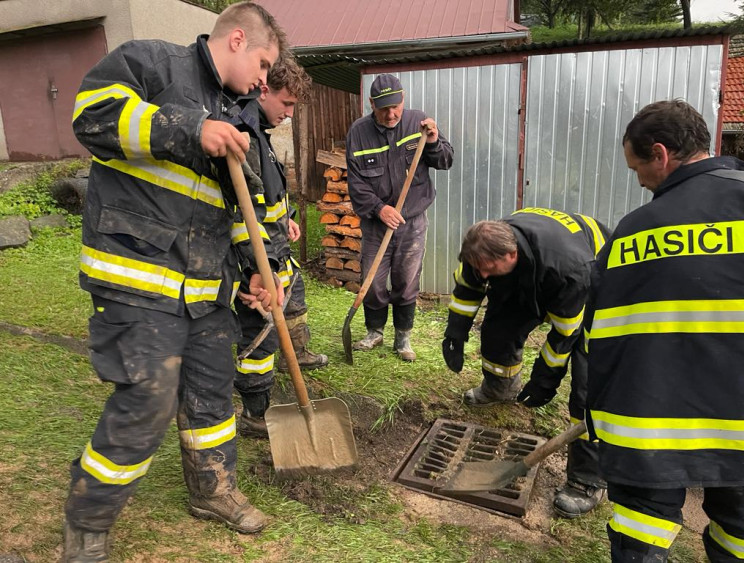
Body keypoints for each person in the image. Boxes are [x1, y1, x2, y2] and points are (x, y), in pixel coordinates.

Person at [63, 3, 286, 561]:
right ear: (237, 39)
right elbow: (91, 117)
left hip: (207, 288)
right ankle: (88, 524)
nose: (265, 79)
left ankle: (213, 489)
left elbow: (246, 211)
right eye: (263, 63)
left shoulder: (245, 119)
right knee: (149, 400)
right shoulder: (151, 64)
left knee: (212, 396)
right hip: (139, 277)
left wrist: (262, 270)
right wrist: (190, 127)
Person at [585, 100, 744, 561]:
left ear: (660, 154)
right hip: (742, 424)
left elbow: (597, 335)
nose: (637, 178)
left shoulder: (633, 231)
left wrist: (594, 414)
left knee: (640, 528)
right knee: (743, 530)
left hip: (649, 424)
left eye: (636, 166)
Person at [443, 209, 610, 518]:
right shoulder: (482, 248)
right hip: (535, 268)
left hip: (596, 280)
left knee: (589, 384)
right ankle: (498, 389)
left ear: (511, 254)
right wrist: (455, 331)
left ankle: (588, 480)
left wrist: (545, 381)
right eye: (478, 268)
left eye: (488, 269)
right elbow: (469, 288)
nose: (482, 275)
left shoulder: (569, 270)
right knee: (498, 330)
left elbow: (565, 335)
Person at [232, 55, 328, 439]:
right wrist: (262, 268)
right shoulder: (245, 137)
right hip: (253, 258)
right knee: (259, 336)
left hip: (272, 245)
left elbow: (267, 197)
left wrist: (285, 216)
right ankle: (256, 412)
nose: (289, 114)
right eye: (287, 104)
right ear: (264, 89)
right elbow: (244, 214)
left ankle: (297, 353)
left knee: (294, 297)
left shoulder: (261, 137)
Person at [345, 74, 453, 361]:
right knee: (374, 279)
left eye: (395, 106)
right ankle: (375, 331)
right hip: (376, 223)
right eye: (383, 108)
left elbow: (445, 161)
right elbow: (356, 184)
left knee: (406, 279)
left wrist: (432, 142)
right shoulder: (358, 132)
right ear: (371, 104)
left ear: (403, 100)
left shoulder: (419, 123)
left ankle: (402, 338)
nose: (391, 114)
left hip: (412, 222)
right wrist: (380, 208)